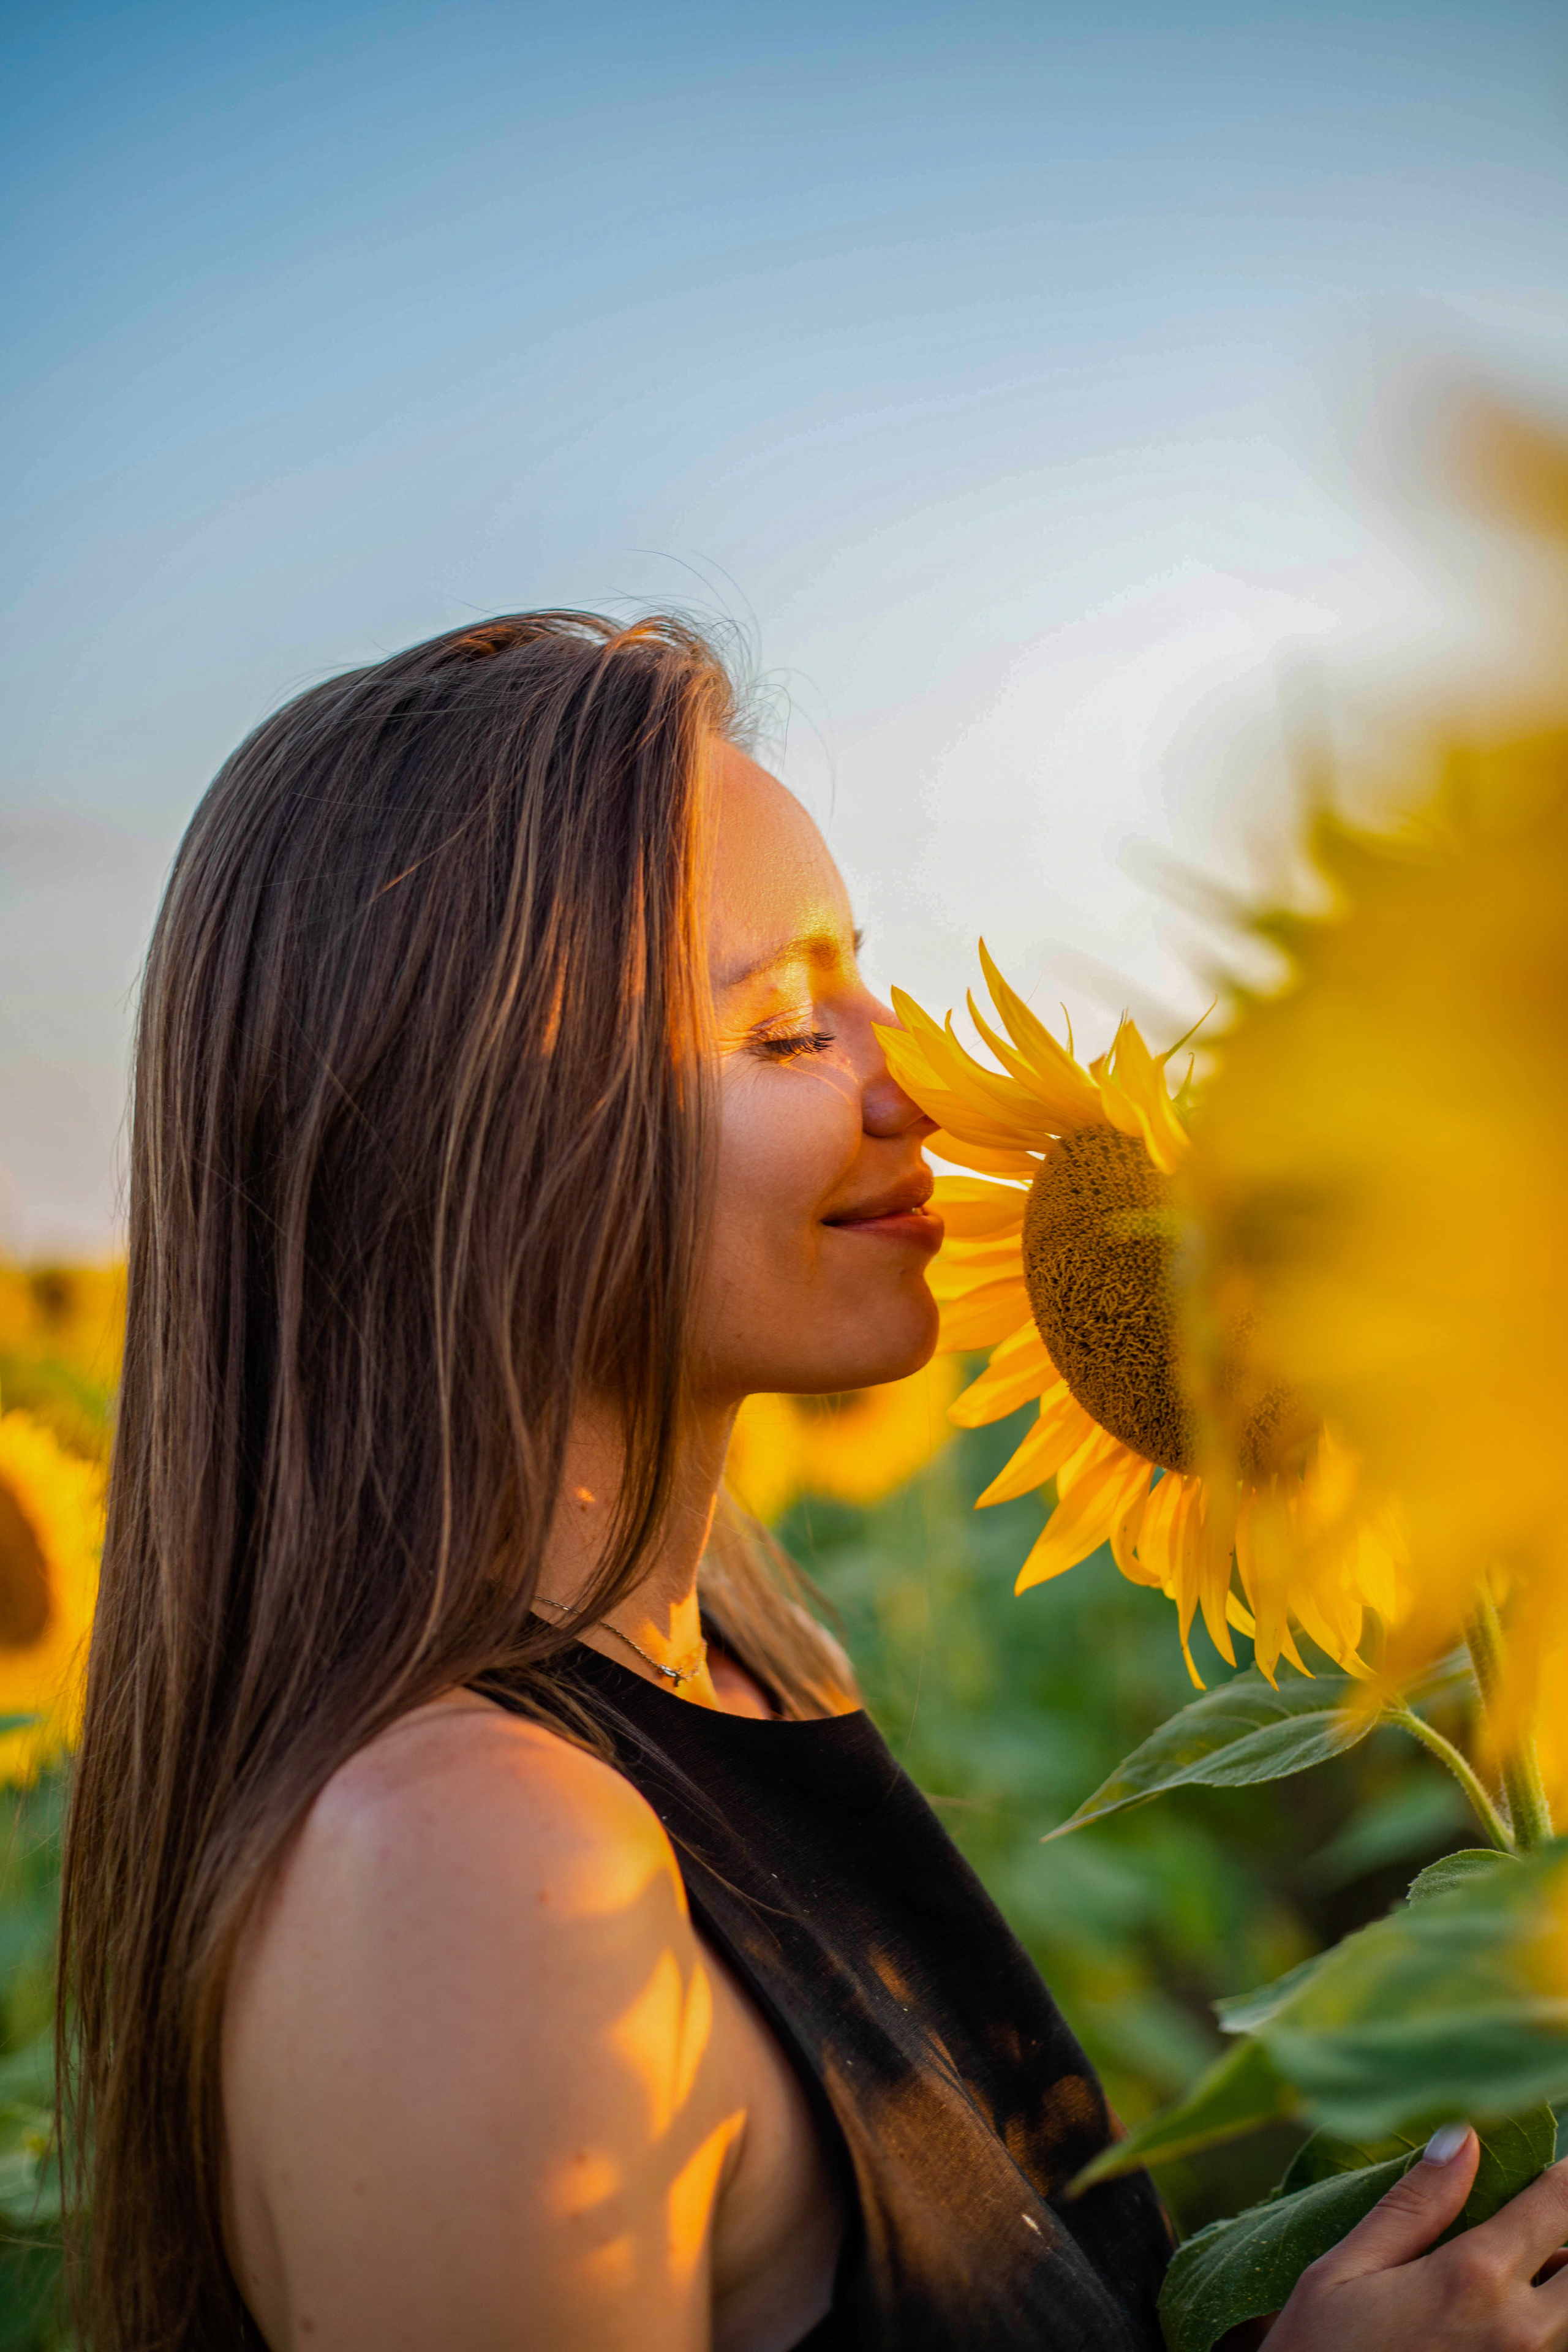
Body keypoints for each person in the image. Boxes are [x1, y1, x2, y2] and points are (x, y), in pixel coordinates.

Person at [62, 612, 1568, 2352]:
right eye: (786, 1032)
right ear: (470, 1140)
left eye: (858, 981)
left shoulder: (741, 1676)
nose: (908, 1079)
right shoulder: (482, 1868)